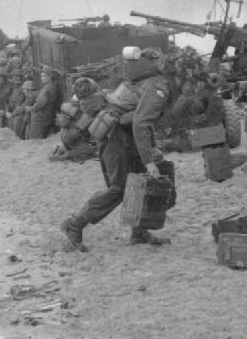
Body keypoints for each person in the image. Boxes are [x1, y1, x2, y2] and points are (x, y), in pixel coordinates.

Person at [60, 47, 175, 251]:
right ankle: (74, 223)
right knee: (119, 188)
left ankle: (139, 232)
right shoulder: (156, 85)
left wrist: (151, 149)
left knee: (141, 183)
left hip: (125, 135)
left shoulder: (141, 81)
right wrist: (150, 160)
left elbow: (139, 120)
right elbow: (141, 122)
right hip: (117, 138)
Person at [26, 69, 60, 139]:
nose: (42, 78)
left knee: (35, 138)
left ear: (50, 77)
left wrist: (30, 108)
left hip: (40, 117)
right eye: (41, 76)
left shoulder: (48, 88)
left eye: (44, 76)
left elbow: (40, 103)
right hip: (46, 115)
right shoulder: (52, 86)